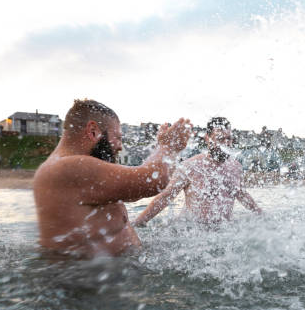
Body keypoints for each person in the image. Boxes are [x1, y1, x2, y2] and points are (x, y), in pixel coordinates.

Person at [33, 99, 191, 258]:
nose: (120, 146)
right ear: (93, 131)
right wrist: (168, 146)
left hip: (107, 273)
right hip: (91, 280)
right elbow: (152, 181)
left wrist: (163, 149)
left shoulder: (71, 166)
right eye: (118, 137)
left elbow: (135, 191)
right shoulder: (69, 167)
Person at [134, 117, 262, 226]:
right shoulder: (190, 166)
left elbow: (242, 194)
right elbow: (166, 196)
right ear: (208, 139)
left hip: (223, 232)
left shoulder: (235, 167)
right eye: (220, 139)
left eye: (229, 139)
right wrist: (139, 222)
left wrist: (262, 215)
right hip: (192, 231)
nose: (226, 143)